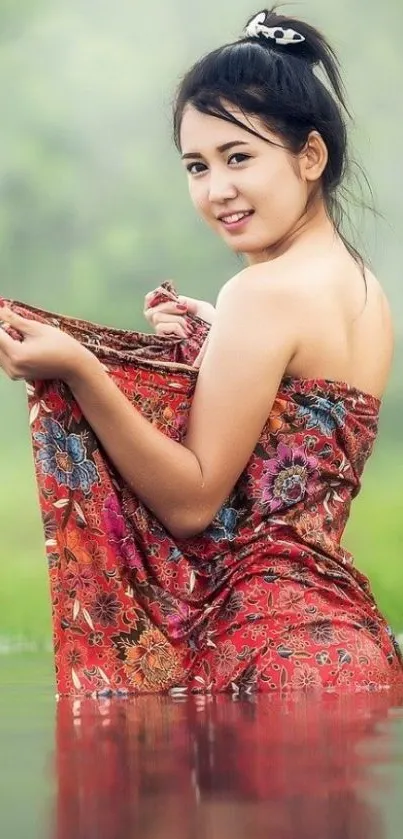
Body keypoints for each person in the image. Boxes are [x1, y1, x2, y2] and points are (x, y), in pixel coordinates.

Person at [0, 8, 402, 695]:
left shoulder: (262, 293)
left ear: (310, 155)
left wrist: (80, 367)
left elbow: (190, 501)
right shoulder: (362, 288)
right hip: (348, 650)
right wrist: (217, 339)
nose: (216, 190)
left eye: (238, 157)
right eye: (196, 165)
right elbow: (297, 429)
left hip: (267, 650)